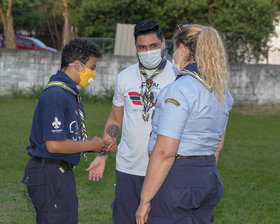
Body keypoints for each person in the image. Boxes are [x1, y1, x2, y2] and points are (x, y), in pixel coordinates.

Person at [136, 24, 234, 224]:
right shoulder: (221, 91)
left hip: (178, 178)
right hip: (207, 173)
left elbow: (165, 152)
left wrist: (145, 200)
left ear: (182, 49)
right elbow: (218, 145)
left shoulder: (178, 90)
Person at [86, 19, 176, 223]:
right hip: (128, 168)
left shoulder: (177, 76)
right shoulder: (125, 77)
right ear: (135, 48)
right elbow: (115, 119)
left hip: (164, 170)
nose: (148, 51)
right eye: (142, 47)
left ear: (163, 44)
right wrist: (102, 155)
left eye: (153, 46)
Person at [21, 38, 117, 224]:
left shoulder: (68, 93)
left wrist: (96, 146)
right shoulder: (56, 95)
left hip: (60, 172)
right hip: (49, 172)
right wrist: (91, 144)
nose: (94, 74)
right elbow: (54, 144)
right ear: (78, 65)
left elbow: (67, 137)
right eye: (93, 67)